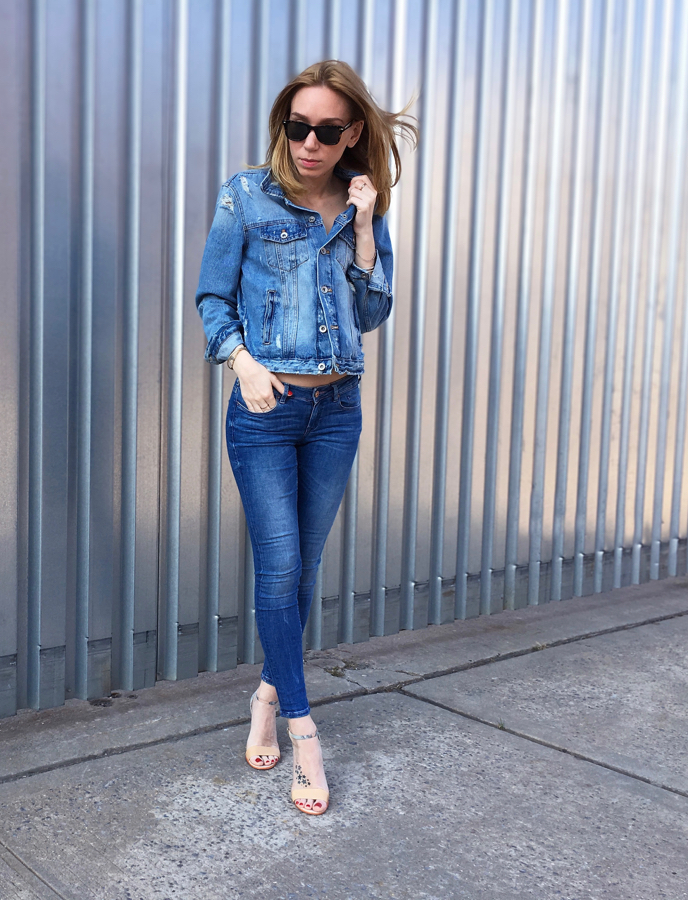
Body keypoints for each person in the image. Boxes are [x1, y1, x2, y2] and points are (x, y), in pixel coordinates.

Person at [194, 60, 415, 816]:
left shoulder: (361, 205)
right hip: (266, 409)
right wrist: (241, 361)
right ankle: (302, 728)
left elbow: (374, 312)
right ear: (282, 126)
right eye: (298, 127)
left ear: (352, 132)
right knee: (278, 567)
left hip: (337, 412)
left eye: (327, 130)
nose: (310, 143)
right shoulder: (246, 195)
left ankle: (265, 692)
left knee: (302, 571)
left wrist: (360, 226)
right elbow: (211, 296)